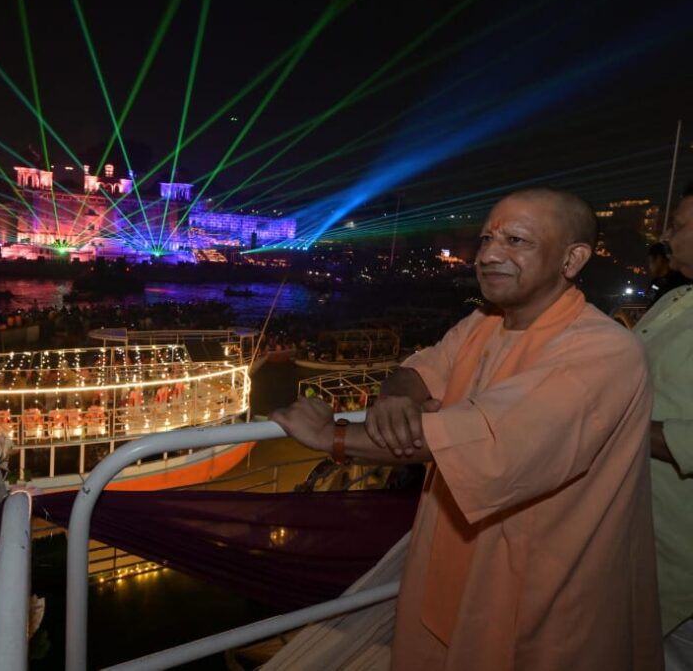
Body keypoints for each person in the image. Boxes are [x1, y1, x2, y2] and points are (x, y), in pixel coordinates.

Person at [272, 188, 661, 670]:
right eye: (486, 239)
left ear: (572, 259)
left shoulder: (604, 351)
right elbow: (420, 369)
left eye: (516, 241)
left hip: (544, 580)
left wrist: (329, 436)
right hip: (454, 555)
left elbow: (484, 438)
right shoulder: (483, 323)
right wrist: (397, 397)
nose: (490, 255)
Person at [635, 187, 693, 669]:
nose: (665, 236)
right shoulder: (677, 298)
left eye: (677, 225)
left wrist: (615, 427)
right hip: (643, 549)